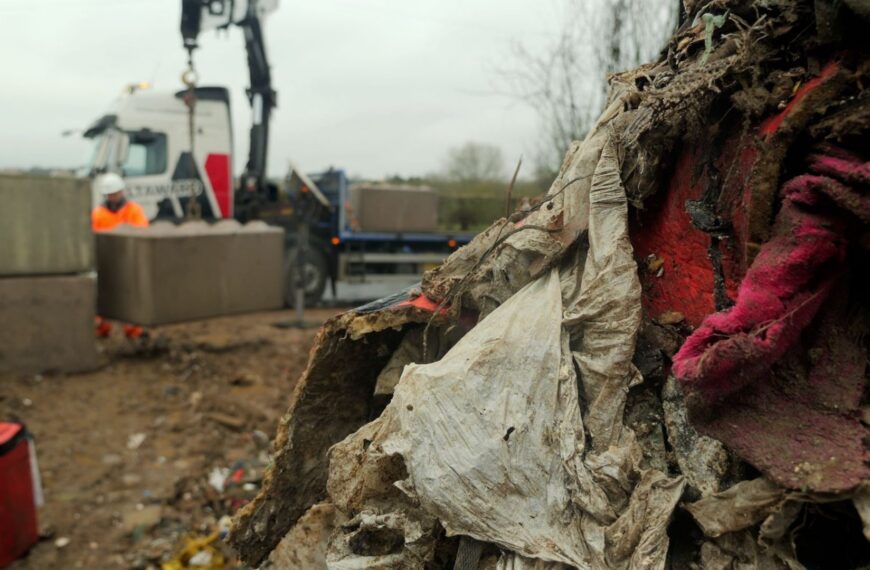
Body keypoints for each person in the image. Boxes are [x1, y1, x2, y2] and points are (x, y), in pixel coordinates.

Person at [90, 173, 150, 339]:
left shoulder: (133, 211)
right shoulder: (98, 214)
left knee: (129, 296)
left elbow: (142, 231)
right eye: (110, 195)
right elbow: (93, 236)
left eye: (116, 193)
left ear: (122, 192)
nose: (113, 197)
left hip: (128, 261)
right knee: (104, 296)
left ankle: (133, 330)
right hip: (107, 262)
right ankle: (102, 328)